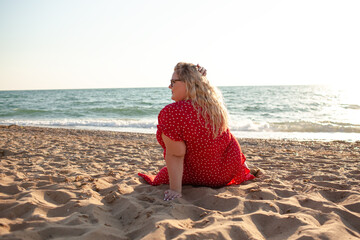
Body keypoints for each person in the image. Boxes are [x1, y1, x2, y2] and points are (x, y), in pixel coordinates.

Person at [138, 62, 255, 201]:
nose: (170, 86)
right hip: (227, 172)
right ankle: (245, 169)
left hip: (198, 174)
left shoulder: (172, 112)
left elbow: (176, 155)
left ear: (188, 83)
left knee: (160, 176)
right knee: (226, 136)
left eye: (173, 82)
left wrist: (175, 190)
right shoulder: (213, 107)